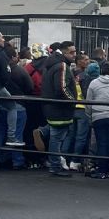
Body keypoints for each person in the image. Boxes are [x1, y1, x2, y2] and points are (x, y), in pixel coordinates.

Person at [39, 41, 78, 176]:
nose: (75, 55)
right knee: (57, 138)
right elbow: (61, 88)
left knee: (56, 136)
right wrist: (73, 101)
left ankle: (43, 132)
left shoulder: (51, 64)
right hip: (60, 108)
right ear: (64, 52)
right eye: (72, 52)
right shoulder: (62, 66)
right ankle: (55, 165)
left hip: (51, 106)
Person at [85, 61, 109, 178]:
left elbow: (88, 102)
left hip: (98, 116)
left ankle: (102, 170)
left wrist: (90, 116)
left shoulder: (93, 83)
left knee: (101, 142)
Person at [3, 45, 34, 171]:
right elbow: (30, 87)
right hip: (18, 104)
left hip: (1, 104)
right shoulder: (20, 71)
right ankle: (17, 161)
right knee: (17, 134)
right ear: (12, 57)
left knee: (0, 132)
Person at [68, 53, 92, 172]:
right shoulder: (85, 76)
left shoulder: (70, 73)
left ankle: (67, 159)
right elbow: (87, 93)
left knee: (71, 135)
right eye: (86, 60)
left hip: (72, 107)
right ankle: (75, 160)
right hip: (82, 108)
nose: (88, 61)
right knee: (81, 137)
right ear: (79, 62)